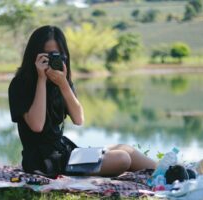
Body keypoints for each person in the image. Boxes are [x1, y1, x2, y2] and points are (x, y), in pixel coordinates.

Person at [8, 25, 157, 177]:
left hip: (64, 152)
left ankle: (169, 172)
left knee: (126, 149)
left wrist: (63, 83)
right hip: (43, 162)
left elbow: (79, 119)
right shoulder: (20, 84)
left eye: (57, 54)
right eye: (47, 54)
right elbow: (37, 125)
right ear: (34, 55)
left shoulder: (60, 82)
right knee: (122, 158)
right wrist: (41, 79)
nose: (52, 59)